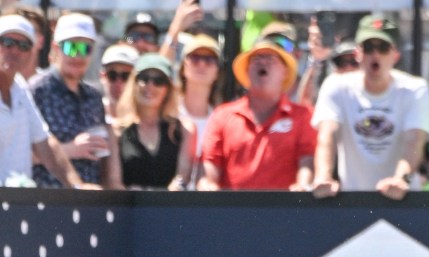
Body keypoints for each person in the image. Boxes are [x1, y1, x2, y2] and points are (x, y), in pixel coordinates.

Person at [311, 15, 429, 200]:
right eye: (368, 48)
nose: (375, 55)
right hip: (354, 202)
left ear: (395, 55)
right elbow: (327, 135)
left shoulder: (415, 89)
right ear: (358, 53)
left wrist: (401, 179)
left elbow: (415, 140)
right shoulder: (335, 85)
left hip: (404, 200)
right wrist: (323, 177)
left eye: (383, 48)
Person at [199, 39, 316, 191]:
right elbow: (209, 167)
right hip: (233, 212)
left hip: (285, 212)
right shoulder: (222, 115)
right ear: (247, 70)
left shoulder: (303, 116)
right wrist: (208, 187)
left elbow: (307, 161)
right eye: (256, 59)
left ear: (285, 71)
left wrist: (302, 187)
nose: (263, 63)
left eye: (270, 59)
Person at [0, 15, 95, 189]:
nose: (14, 50)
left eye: (23, 45)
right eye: (7, 42)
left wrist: (77, 188)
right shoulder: (36, 87)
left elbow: (45, 144)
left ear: (33, 52)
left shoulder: (20, 87)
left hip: (15, 206)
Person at [30, 13, 121, 189]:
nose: (78, 56)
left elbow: (103, 158)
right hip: (48, 202)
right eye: (71, 47)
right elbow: (17, 152)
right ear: (56, 48)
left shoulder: (94, 97)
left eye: (85, 49)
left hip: (91, 202)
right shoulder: (36, 91)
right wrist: (71, 149)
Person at [114, 54, 192, 190]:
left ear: (168, 89)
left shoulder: (182, 130)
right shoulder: (117, 130)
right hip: (128, 208)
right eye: (144, 79)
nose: (150, 85)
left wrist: (163, 198)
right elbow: (112, 181)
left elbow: (182, 176)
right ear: (134, 83)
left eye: (159, 81)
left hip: (169, 207)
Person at [176, 34, 221, 188]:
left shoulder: (222, 121)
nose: (202, 64)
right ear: (183, 67)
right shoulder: (168, 115)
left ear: (217, 72)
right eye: (195, 58)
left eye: (209, 60)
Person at [100, 44, 139, 124]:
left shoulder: (145, 119)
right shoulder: (90, 114)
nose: (119, 83)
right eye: (112, 75)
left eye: (126, 76)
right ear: (102, 76)